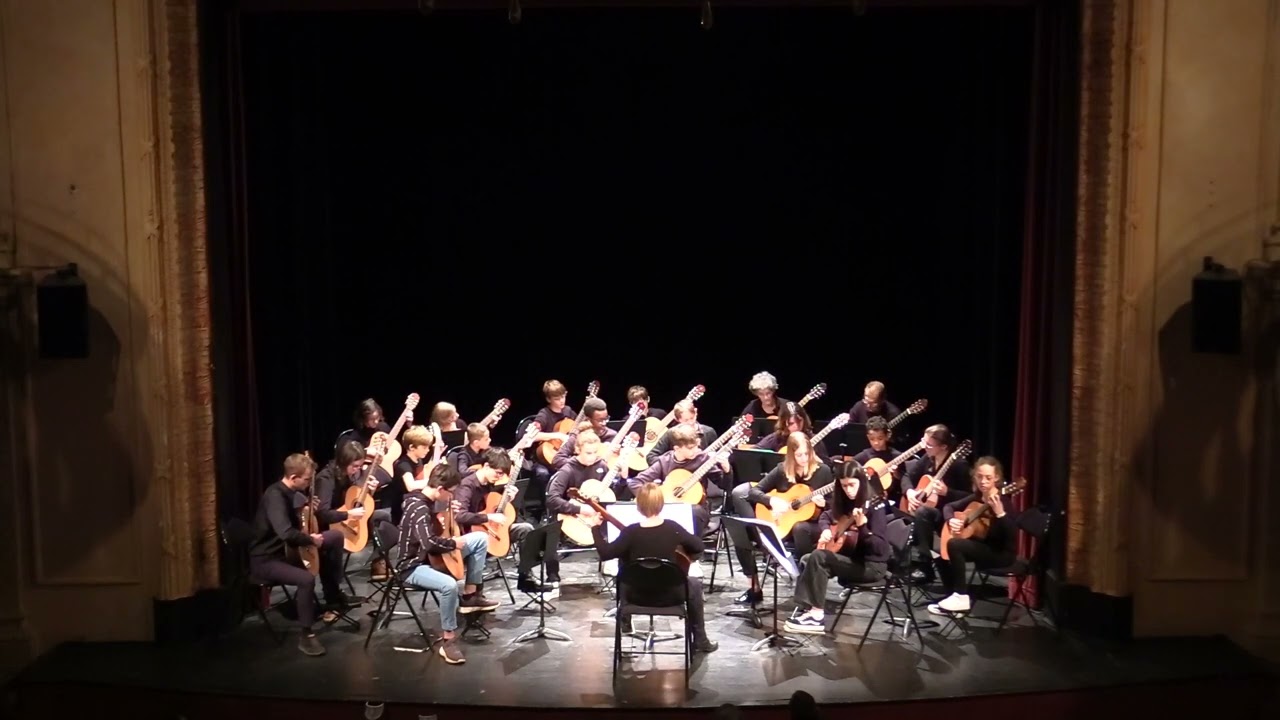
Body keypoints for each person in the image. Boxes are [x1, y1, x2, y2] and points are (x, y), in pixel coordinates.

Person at [582, 482, 719, 653]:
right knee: (694, 584)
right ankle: (700, 640)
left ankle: (625, 619)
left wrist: (595, 527)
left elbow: (605, 553)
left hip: (635, 596)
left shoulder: (630, 532)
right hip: (671, 595)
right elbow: (698, 547)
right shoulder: (673, 528)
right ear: (661, 504)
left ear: (638, 506)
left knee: (624, 563)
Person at [247, 453, 350, 656]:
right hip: (267, 559)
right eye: (306, 480)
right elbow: (285, 532)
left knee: (335, 537)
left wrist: (307, 510)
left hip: (289, 551)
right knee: (305, 579)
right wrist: (310, 540)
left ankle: (333, 595)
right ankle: (306, 634)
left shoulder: (292, 493)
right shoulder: (275, 496)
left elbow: (298, 522)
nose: (309, 484)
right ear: (293, 478)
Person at [397, 463, 500, 664]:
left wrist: (449, 514)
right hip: (412, 566)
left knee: (480, 538)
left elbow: (436, 532)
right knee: (449, 585)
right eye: (450, 492)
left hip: (432, 557)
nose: (452, 496)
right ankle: (448, 640)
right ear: (440, 489)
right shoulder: (418, 507)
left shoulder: (430, 502)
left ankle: (470, 595)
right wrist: (454, 543)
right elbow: (428, 543)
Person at [784, 461, 888, 634]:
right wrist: (825, 530)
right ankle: (806, 608)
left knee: (818, 557)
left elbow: (880, 549)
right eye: (844, 486)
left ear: (862, 482)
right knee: (807, 559)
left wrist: (863, 527)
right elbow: (826, 516)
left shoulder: (875, 506)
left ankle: (816, 616)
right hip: (852, 559)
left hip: (871, 566)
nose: (848, 490)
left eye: (852, 485)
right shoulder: (847, 502)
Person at [731, 433, 834, 604]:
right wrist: (772, 501)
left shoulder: (823, 471)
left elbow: (834, 506)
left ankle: (806, 587)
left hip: (811, 526)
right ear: (791, 455)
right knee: (742, 536)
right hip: (783, 523)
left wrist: (824, 504)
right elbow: (754, 492)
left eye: (807, 454)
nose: (804, 458)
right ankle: (754, 588)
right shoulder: (782, 470)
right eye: (799, 455)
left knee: (800, 528)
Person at [927, 457, 1019, 615]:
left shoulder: (1004, 501)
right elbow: (949, 506)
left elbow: (1011, 535)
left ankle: (961, 597)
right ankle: (952, 601)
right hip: (983, 547)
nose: (983, 481)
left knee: (955, 544)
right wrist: (951, 520)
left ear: (996, 478)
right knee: (941, 553)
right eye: (980, 477)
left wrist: (1000, 514)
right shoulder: (977, 496)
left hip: (1001, 553)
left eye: (988, 477)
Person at [313, 441, 393, 599]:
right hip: (328, 525)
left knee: (383, 517)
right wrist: (348, 514)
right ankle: (332, 594)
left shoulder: (348, 475)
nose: (357, 470)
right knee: (335, 538)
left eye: (360, 466)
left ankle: (377, 561)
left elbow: (353, 499)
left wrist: (370, 490)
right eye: (355, 466)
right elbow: (322, 513)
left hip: (346, 519)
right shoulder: (325, 478)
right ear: (344, 461)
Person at [902, 424, 971, 581]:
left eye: (929, 444)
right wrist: (910, 492)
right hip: (930, 510)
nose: (924, 447)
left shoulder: (959, 465)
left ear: (943, 447)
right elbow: (907, 476)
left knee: (922, 513)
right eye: (924, 442)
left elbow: (971, 496)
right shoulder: (928, 458)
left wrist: (948, 492)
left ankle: (925, 565)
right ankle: (906, 563)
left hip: (949, 515)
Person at [631, 424, 726, 536]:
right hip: (668, 509)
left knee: (693, 512)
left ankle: (692, 547)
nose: (695, 450)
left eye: (696, 446)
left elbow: (724, 485)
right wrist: (655, 499)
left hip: (697, 510)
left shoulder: (703, 459)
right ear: (677, 448)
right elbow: (635, 482)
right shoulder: (665, 461)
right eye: (690, 448)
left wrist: (727, 470)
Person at [543, 428, 610, 585]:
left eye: (595, 452)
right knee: (550, 531)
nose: (592, 456)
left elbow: (612, 492)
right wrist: (580, 509)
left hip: (595, 516)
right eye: (588, 453)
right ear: (578, 450)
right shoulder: (568, 469)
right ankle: (553, 575)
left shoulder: (601, 466)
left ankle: (611, 563)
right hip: (569, 515)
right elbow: (552, 499)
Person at [528, 379, 576, 516]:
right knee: (542, 474)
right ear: (549, 399)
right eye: (557, 399)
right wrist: (557, 435)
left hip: (564, 456)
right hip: (544, 460)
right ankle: (547, 510)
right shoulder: (544, 414)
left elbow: (578, 428)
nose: (561, 401)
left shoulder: (568, 411)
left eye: (563, 396)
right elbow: (532, 435)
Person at [644, 399, 717, 466]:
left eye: (692, 418)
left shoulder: (709, 432)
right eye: (686, 420)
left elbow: (717, 459)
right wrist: (673, 463)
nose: (691, 422)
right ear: (678, 420)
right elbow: (651, 457)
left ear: (696, 412)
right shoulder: (671, 434)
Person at [551, 398, 617, 470]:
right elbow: (557, 460)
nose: (604, 423)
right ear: (588, 419)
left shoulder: (612, 435)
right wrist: (580, 462)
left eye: (606, 419)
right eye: (600, 420)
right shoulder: (577, 437)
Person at [750, 402, 829, 460]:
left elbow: (827, 466)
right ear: (784, 423)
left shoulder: (814, 439)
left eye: (799, 421)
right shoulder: (777, 438)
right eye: (791, 423)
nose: (796, 427)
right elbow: (753, 453)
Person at [392, 424, 434, 526]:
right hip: (402, 511)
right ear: (412, 447)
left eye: (428, 447)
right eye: (424, 447)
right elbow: (411, 486)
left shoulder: (418, 460)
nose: (428, 450)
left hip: (415, 503)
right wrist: (432, 481)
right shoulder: (403, 464)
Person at [852, 417, 903, 493]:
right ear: (868, 437)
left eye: (880, 439)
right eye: (872, 439)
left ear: (887, 436)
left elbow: (903, 480)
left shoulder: (896, 456)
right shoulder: (863, 456)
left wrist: (896, 474)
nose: (876, 443)